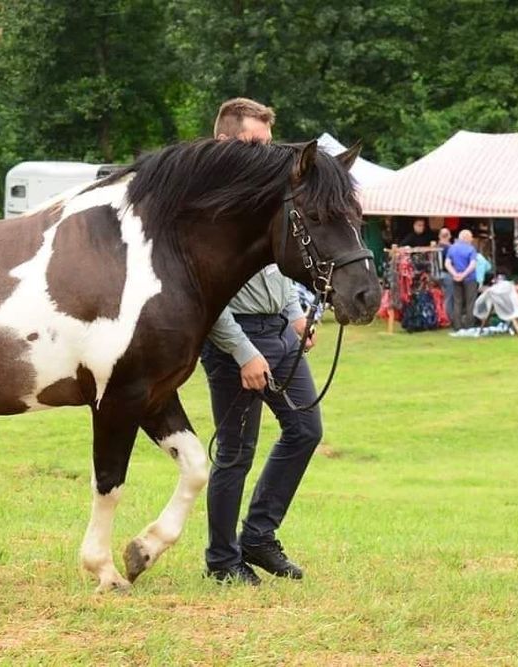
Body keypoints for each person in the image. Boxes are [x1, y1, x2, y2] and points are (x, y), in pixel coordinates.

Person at [201, 98, 321, 586]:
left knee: (305, 430)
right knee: (235, 452)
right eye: (256, 144)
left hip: (277, 328)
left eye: (270, 145)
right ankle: (222, 561)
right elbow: (205, 294)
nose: (267, 155)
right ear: (226, 142)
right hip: (236, 338)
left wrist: (293, 314)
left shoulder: (264, 194)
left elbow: (277, 262)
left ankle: (258, 537)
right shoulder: (208, 206)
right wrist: (243, 352)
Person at [444, 229, 478, 330]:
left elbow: (447, 263)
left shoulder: (452, 248)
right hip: (470, 278)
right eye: (471, 237)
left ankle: (457, 325)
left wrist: (455, 274)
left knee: (457, 302)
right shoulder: (471, 249)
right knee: (470, 302)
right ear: (467, 238)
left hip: (456, 278)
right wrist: (464, 275)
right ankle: (469, 325)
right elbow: (472, 265)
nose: (472, 239)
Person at [437, 228, 454, 323]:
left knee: (440, 297)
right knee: (449, 297)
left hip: (436, 274)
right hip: (447, 274)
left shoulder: (436, 247)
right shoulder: (450, 248)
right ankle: (447, 319)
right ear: (449, 236)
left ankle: (440, 317)